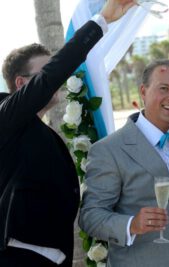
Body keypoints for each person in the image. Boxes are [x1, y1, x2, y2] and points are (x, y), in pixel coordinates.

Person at [0, 1, 137, 266]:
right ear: (22, 83)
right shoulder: (5, 115)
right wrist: (102, 20)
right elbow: (56, 71)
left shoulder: (38, 131)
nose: (58, 79)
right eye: (46, 73)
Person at [79, 59, 169, 266]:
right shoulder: (109, 150)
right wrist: (132, 224)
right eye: (164, 88)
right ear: (143, 91)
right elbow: (91, 217)